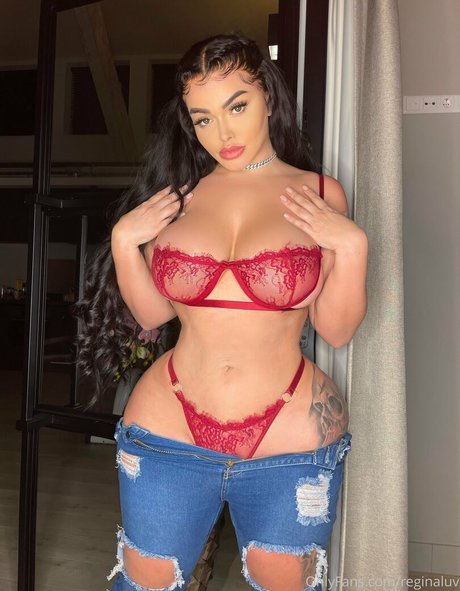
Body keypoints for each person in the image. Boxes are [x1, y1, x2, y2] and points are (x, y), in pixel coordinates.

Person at [77, 34, 368, 591]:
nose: (223, 134)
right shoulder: (180, 196)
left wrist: (352, 246)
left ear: (269, 98)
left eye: (237, 106)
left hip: (289, 431)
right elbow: (153, 314)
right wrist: (123, 242)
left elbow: (336, 328)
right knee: (145, 583)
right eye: (203, 118)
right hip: (167, 420)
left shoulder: (317, 193)